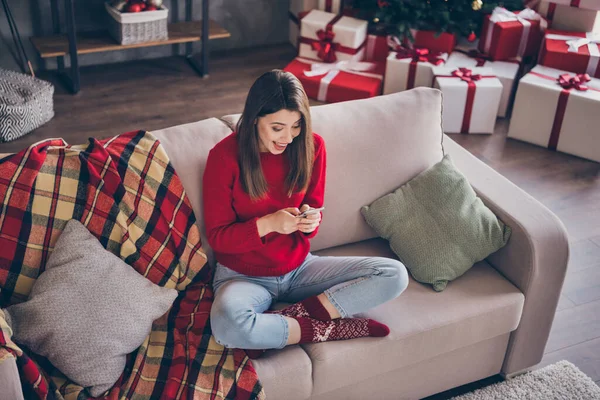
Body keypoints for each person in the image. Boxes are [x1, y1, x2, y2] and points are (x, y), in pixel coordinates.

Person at [203, 70, 409, 358]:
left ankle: (291, 319)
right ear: (254, 120)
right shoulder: (224, 157)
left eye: (296, 126)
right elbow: (218, 238)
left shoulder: (312, 147)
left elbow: (314, 208)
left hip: (299, 269)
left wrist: (311, 220)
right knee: (226, 325)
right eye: (277, 128)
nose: (288, 137)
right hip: (242, 277)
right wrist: (268, 224)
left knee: (394, 274)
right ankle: (324, 328)